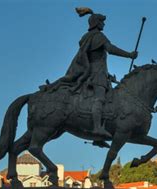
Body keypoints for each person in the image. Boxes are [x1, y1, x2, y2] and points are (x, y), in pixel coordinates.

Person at [48, 8, 137, 140]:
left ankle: (99, 138)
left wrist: (109, 75)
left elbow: (95, 59)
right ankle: (97, 127)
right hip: (97, 75)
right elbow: (111, 49)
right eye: (102, 21)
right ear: (96, 23)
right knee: (99, 98)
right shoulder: (98, 36)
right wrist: (129, 55)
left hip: (97, 73)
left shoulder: (87, 37)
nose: (104, 24)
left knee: (109, 100)